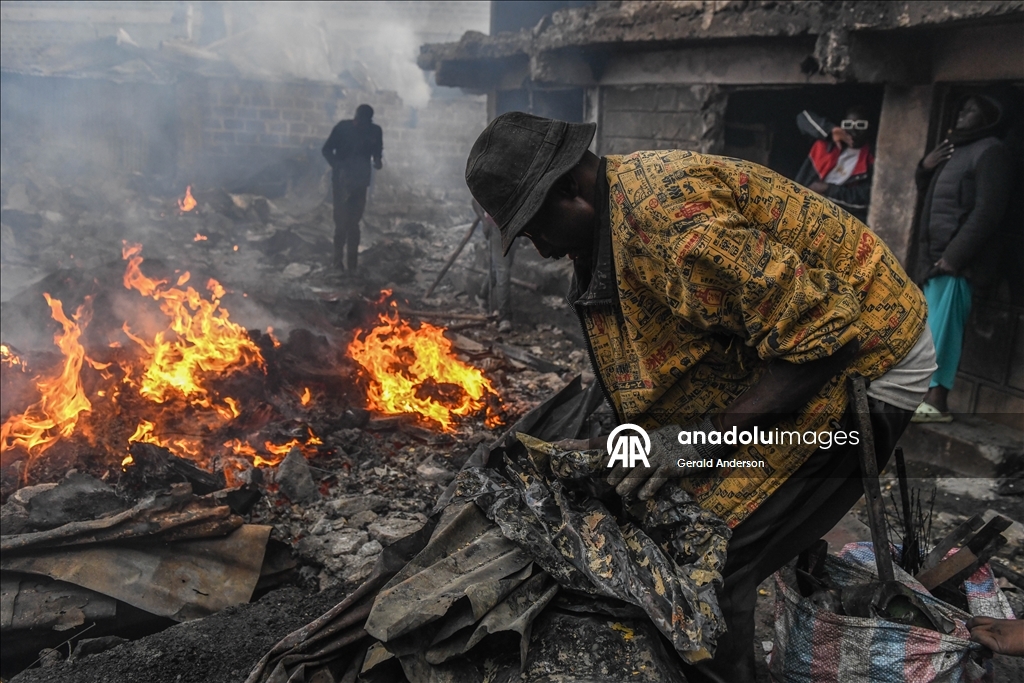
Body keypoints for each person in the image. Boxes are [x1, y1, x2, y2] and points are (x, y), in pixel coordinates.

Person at [465, 112, 935, 683]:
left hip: (870, 355)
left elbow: (827, 337)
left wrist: (700, 438)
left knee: (717, 558)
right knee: (665, 505)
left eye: (537, 229)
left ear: (571, 188)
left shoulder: (675, 226)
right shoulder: (616, 209)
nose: (540, 250)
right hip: (791, 344)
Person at [909, 95, 1012, 423]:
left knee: (945, 331)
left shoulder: (991, 151)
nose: (962, 113)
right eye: (963, 108)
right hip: (935, 259)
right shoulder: (953, 149)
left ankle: (938, 402)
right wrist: (924, 168)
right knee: (926, 331)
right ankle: (919, 397)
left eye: (970, 110)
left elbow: (988, 211)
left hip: (959, 263)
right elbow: (932, 198)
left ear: (988, 119)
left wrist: (955, 257)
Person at [321, 104, 383, 273]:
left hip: (360, 182)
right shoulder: (342, 128)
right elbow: (326, 149)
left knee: (354, 224)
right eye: (356, 121)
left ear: (368, 122)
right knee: (341, 224)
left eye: (362, 123)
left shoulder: (375, 131)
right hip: (341, 182)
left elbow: (377, 153)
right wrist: (337, 166)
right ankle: (337, 262)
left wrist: (377, 161)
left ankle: (353, 265)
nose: (358, 124)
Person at [795, 105, 874, 222]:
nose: (853, 131)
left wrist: (828, 189)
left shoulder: (870, 160)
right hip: (800, 208)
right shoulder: (824, 145)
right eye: (848, 125)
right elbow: (802, 117)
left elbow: (864, 200)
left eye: (860, 125)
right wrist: (828, 130)